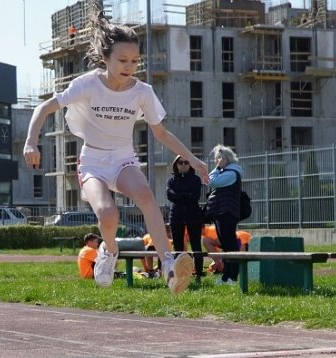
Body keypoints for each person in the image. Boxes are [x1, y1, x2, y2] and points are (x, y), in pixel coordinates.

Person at [23, 12, 207, 295]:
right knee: (108, 214)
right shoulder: (88, 84)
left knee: (146, 196)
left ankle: (169, 265)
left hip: (123, 159)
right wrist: (31, 142)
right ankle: (109, 252)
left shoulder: (142, 92)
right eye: (122, 61)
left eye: (135, 61)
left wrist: (193, 160)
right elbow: (44, 108)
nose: (129, 67)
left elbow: (161, 133)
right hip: (93, 162)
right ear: (106, 58)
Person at [203, 145, 244, 285]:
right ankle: (226, 276)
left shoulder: (231, 173)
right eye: (216, 159)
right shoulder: (225, 172)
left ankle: (232, 276)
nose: (217, 161)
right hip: (220, 212)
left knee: (230, 245)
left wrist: (216, 169)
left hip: (227, 212)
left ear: (227, 158)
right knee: (226, 246)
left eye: (219, 158)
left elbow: (211, 181)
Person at [167, 155, 205, 279]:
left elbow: (194, 197)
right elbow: (170, 196)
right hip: (176, 216)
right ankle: (179, 274)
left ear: (190, 165)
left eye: (186, 162)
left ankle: (198, 273)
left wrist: (179, 196)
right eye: (180, 163)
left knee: (196, 245)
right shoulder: (171, 181)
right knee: (178, 247)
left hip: (193, 216)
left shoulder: (196, 180)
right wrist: (185, 196)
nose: (183, 165)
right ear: (176, 165)